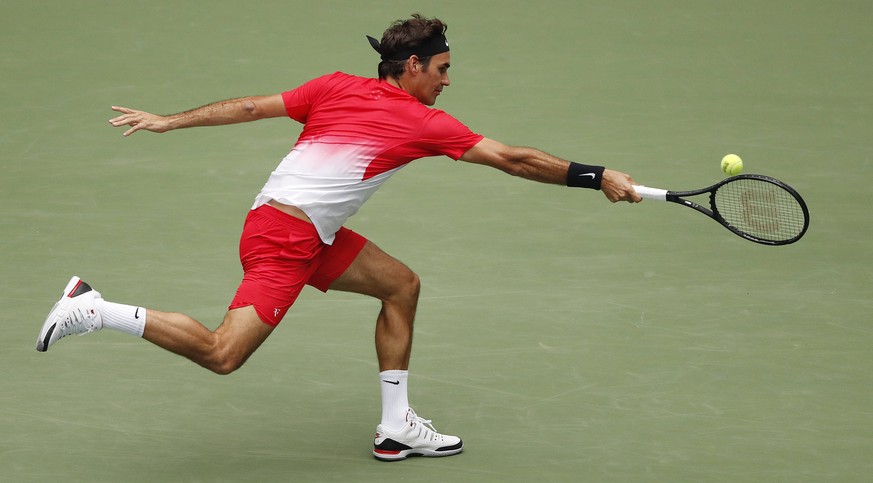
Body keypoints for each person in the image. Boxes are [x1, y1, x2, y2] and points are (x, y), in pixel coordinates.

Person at [36, 14, 642, 461]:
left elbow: (249, 107)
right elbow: (511, 159)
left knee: (400, 285)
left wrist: (171, 119)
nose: (447, 82)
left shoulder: (333, 86)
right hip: (284, 242)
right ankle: (94, 308)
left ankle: (396, 424)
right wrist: (598, 177)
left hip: (291, 226)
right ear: (412, 67)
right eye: (442, 70)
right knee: (223, 354)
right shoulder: (425, 121)